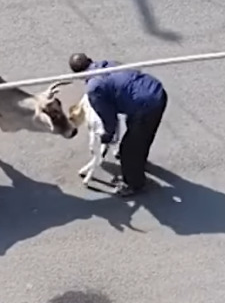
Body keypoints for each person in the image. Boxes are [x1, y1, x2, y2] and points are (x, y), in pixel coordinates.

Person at [68, 52, 168, 197]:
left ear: (77, 75)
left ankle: (134, 184)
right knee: (144, 135)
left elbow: (109, 118)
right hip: (157, 92)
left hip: (144, 107)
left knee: (128, 150)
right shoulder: (109, 64)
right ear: (90, 59)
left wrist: (107, 136)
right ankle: (140, 161)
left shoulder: (94, 87)